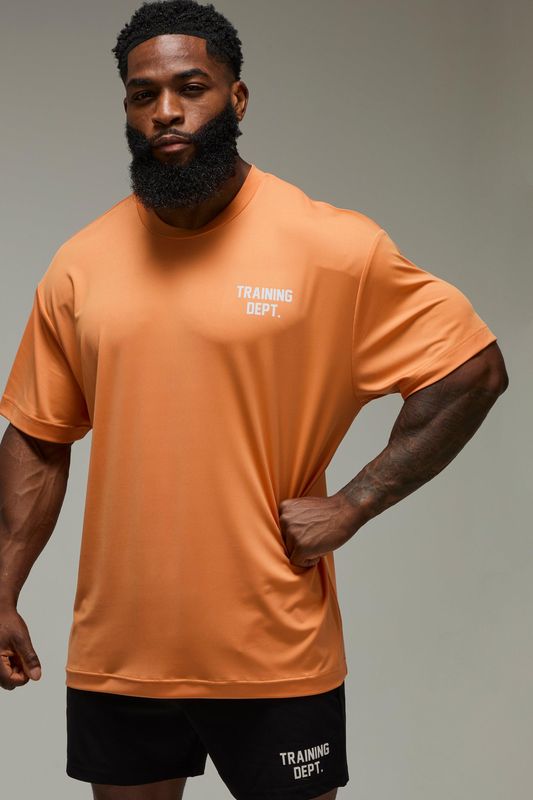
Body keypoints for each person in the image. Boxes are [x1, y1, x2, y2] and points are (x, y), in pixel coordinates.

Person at [0, 1, 509, 799]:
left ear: (235, 98)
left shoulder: (330, 247)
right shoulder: (81, 264)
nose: (166, 111)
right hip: (119, 653)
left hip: (275, 649)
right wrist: (2, 588)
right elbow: (38, 435)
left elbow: (471, 370)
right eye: (143, 94)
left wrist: (354, 503)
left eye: (190, 87)